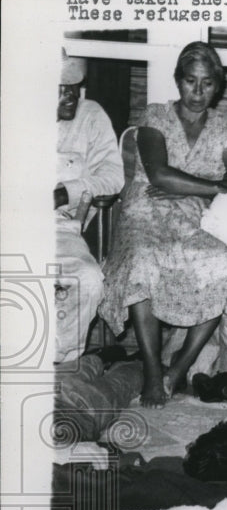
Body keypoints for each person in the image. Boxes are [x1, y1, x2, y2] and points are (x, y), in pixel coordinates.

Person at [98, 42, 227, 408]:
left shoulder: (226, 129)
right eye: (190, 81)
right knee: (142, 262)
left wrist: (189, 188)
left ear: (218, 86)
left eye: (207, 83)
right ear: (178, 81)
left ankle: (178, 368)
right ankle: (152, 371)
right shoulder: (155, 116)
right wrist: (216, 185)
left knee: (224, 266)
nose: (197, 92)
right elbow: (159, 175)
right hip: (145, 211)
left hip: (191, 218)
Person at [55, 52, 125, 364]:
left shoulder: (91, 116)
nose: (70, 95)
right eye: (59, 88)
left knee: (88, 279)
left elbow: (112, 177)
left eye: (74, 86)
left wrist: (66, 192)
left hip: (59, 230)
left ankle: (61, 362)